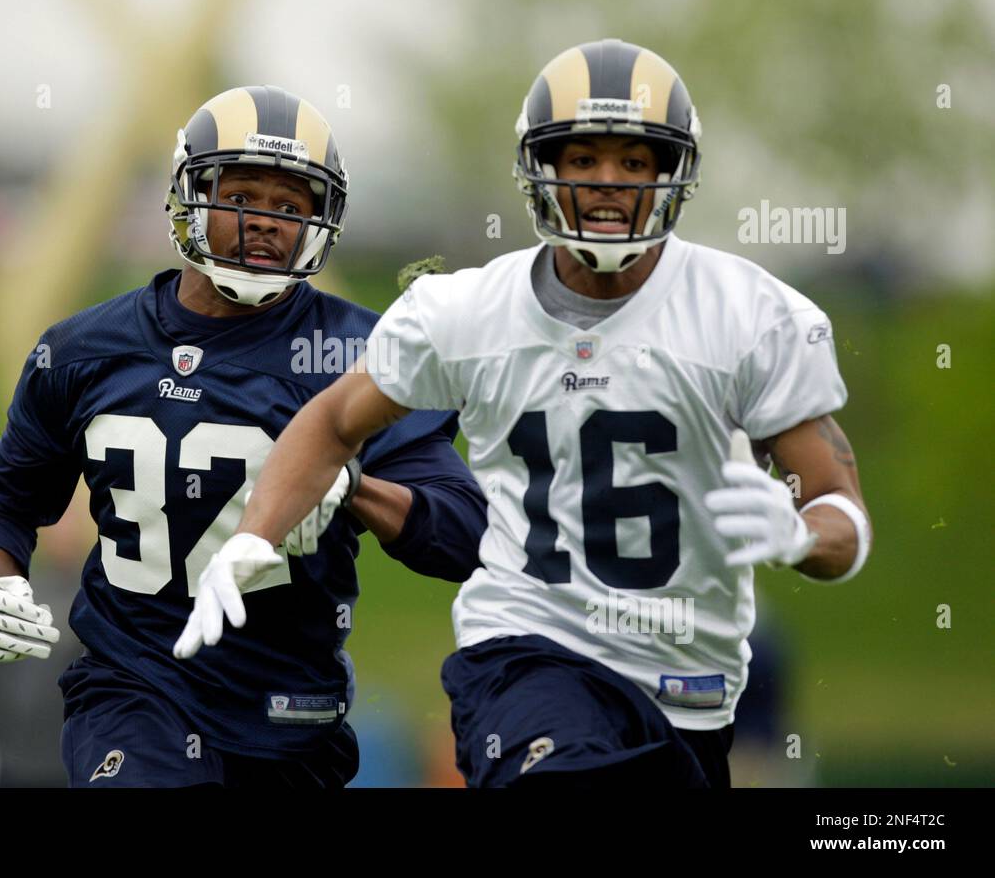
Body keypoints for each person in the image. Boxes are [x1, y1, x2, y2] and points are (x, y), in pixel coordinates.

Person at [181, 41, 872, 789]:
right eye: (583, 160)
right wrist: (252, 537)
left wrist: (802, 532)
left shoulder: (749, 315)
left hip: (686, 686)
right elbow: (333, 421)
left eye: (634, 163)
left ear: (671, 173)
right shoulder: (468, 311)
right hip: (525, 650)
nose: (608, 184)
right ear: (542, 168)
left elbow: (844, 513)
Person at [0, 85, 487, 788]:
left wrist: (353, 487)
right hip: (132, 692)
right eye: (243, 196)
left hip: (289, 713)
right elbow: (0, 505)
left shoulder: (360, 351)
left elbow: (465, 532)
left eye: (291, 206)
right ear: (190, 197)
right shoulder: (84, 350)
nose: (266, 221)